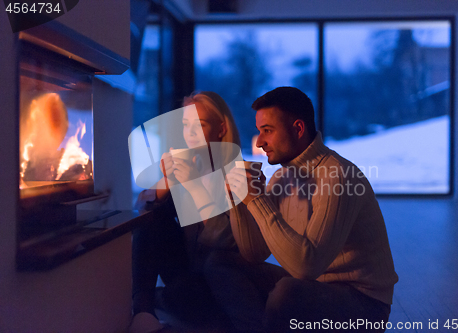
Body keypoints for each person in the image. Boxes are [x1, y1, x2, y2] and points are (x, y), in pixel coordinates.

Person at [207, 87, 399, 332]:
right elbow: (254, 254)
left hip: (365, 304)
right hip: (312, 287)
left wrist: (257, 200)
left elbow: (306, 267)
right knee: (221, 261)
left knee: (287, 292)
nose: (260, 142)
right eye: (259, 131)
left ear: (298, 129)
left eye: (267, 131)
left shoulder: (338, 175)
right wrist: (237, 200)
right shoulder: (282, 177)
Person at [130, 91, 244, 333]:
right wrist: (166, 181)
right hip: (186, 273)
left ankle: (164, 301)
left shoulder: (238, 175)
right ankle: (143, 311)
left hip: (219, 279)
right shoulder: (190, 164)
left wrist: (194, 187)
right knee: (151, 217)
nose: (190, 133)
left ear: (221, 129)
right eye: (185, 125)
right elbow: (140, 210)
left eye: (200, 125)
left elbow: (223, 241)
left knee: (189, 293)